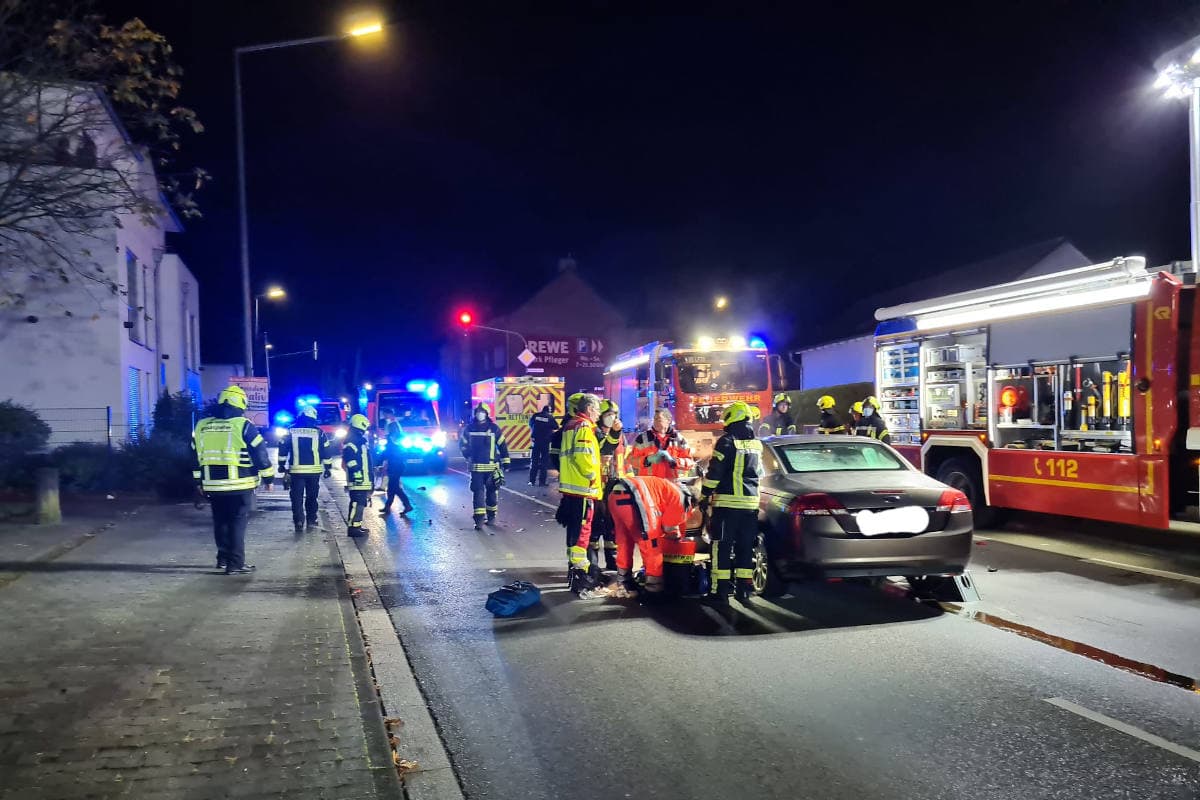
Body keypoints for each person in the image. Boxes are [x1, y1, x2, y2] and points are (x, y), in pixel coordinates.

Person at [191, 385, 274, 574]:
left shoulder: (202, 425)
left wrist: (198, 483)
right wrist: (269, 477)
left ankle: (222, 559)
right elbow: (260, 454)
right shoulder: (244, 425)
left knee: (220, 522)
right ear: (241, 402)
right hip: (240, 484)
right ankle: (235, 564)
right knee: (237, 523)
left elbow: (194, 456)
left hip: (212, 485)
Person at [701, 401, 762, 603]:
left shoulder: (726, 441)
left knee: (721, 547)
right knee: (745, 546)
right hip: (751, 505)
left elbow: (715, 473)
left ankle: (720, 592)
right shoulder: (757, 444)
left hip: (727, 504)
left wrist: (705, 494)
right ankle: (744, 590)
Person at [606, 474, 690, 596]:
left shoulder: (668, 488)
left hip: (615, 496)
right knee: (651, 541)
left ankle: (624, 581)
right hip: (635, 497)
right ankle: (653, 587)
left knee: (624, 540)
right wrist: (674, 537)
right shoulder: (682, 498)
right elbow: (669, 527)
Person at [556, 392, 603, 593]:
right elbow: (583, 456)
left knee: (574, 533)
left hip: (572, 487)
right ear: (590, 409)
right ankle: (581, 577)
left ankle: (575, 573)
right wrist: (592, 476)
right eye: (598, 410)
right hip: (583, 488)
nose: (599, 414)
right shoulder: (584, 427)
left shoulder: (571, 425)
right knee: (582, 535)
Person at [278, 405, 333, 533]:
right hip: (314, 472)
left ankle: (298, 521)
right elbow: (326, 451)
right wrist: (328, 468)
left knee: (296, 497)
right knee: (312, 497)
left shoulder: (290, 430)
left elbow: (283, 449)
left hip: (296, 471)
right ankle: (312, 520)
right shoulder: (319, 432)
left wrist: (281, 465)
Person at [590, 398, 628, 571]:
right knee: (595, 527)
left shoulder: (621, 436)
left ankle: (612, 565)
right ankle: (593, 566)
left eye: (614, 415)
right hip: (598, 486)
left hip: (615, 485)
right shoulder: (593, 433)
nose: (611, 418)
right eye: (608, 415)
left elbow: (624, 460)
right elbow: (603, 451)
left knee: (613, 529)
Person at [460, 404, 510, 530]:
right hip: (477, 468)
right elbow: (463, 445)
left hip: (492, 467)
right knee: (478, 493)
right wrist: (468, 456)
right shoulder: (469, 429)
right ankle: (480, 519)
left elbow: (502, 446)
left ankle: (491, 517)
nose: (480, 414)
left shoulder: (494, 429)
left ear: (487, 413)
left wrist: (506, 462)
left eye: (482, 412)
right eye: (478, 412)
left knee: (492, 493)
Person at [629, 409, 694, 479]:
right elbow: (632, 460)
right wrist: (647, 460)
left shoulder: (678, 439)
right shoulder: (643, 438)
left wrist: (674, 461)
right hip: (649, 485)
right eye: (654, 419)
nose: (655, 422)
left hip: (671, 484)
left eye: (659, 419)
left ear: (668, 421)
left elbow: (690, 463)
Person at [342, 413, 374, 537]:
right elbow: (350, 459)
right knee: (357, 503)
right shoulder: (352, 440)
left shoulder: (358, 440)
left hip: (363, 478)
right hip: (358, 479)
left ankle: (357, 526)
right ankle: (353, 528)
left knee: (360, 503)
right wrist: (357, 474)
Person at [380, 413, 414, 515]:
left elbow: (387, 452)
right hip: (397, 466)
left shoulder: (393, 440)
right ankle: (390, 506)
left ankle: (406, 505)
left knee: (394, 487)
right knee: (393, 487)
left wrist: (378, 462)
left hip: (396, 466)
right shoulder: (399, 439)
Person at [528, 402, 557, 487]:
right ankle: (542, 482)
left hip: (536, 442)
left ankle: (532, 481)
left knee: (534, 462)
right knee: (544, 463)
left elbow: (530, 424)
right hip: (545, 442)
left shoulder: (536, 415)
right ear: (549, 411)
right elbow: (556, 427)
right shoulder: (550, 417)